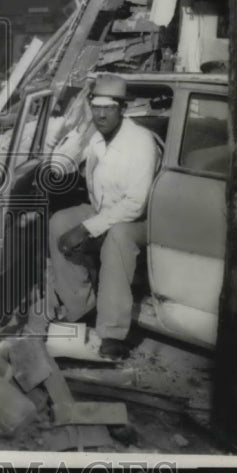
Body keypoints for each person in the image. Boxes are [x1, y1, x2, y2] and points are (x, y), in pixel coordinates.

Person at [47, 74, 159, 360]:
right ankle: (81, 308)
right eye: (95, 107)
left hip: (140, 220)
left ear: (122, 109)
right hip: (104, 211)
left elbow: (135, 204)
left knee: (118, 237)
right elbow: (65, 163)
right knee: (59, 222)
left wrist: (86, 228)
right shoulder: (96, 138)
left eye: (108, 108)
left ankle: (112, 332)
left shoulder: (141, 142)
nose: (100, 114)